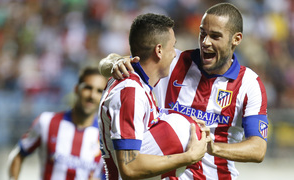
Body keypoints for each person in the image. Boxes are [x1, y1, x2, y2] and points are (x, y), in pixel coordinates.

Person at [99, 2, 269, 179]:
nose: (205, 42)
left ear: (236, 39)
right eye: (202, 33)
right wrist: (115, 63)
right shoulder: (172, 62)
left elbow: (258, 149)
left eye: (215, 36)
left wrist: (213, 147)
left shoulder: (249, 84)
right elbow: (109, 63)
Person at [98, 13, 210, 180]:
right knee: (181, 126)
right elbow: (129, 167)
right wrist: (189, 157)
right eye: (173, 47)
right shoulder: (130, 91)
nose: (174, 54)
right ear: (159, 50)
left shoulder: (138, 82)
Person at [8, 67, 107, 180]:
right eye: (88, 88)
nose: (92, 96)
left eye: (99, 91)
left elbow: (109, 175)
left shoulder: (106, 139)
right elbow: (18, 154)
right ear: (76, 89)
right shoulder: (47, 122)